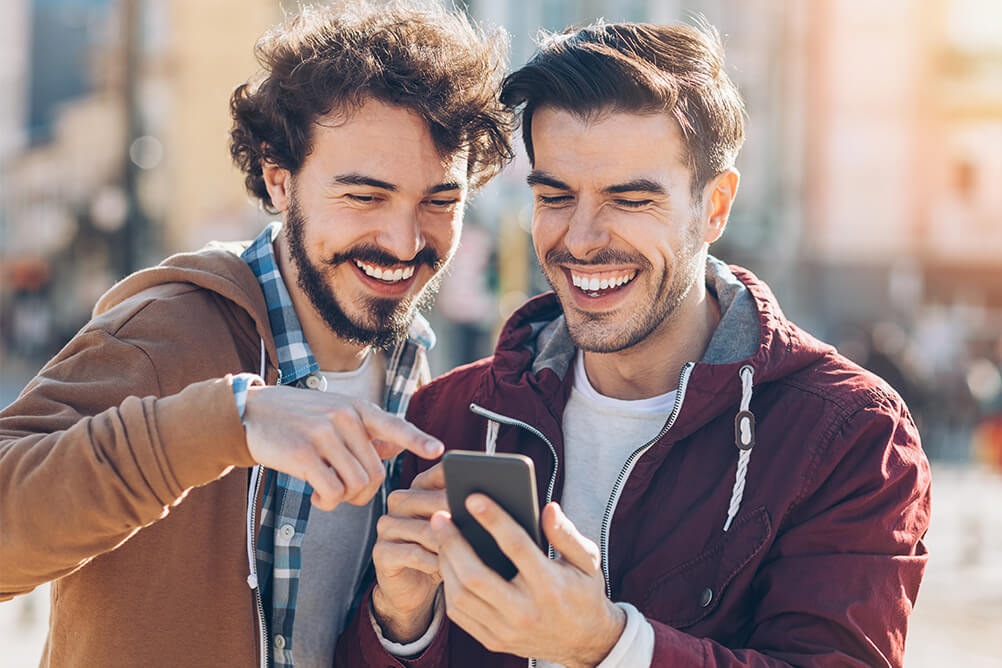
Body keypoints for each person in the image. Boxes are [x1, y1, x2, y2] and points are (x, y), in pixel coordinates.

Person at [338, 19, 931, 668]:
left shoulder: (850, 435)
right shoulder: (447, 416)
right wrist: (399, 623)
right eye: (556, 196)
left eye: (630, 200)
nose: (584, 239)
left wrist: (607, 646)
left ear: (715, 206)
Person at [0, 2, 511, 666]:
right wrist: (229, 422)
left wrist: (403, 620)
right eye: (364, 196)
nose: (404, 241)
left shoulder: (420, 378)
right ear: (279, 179)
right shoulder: (167, 330)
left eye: (440, 201)